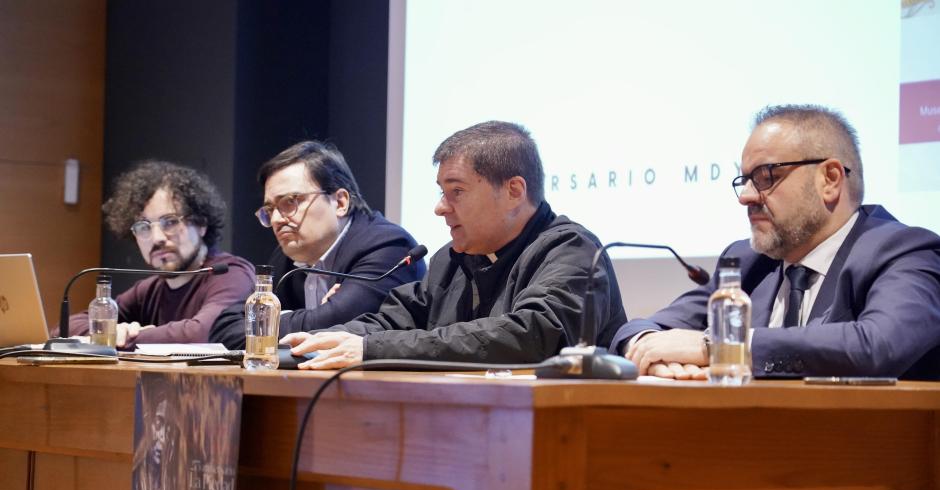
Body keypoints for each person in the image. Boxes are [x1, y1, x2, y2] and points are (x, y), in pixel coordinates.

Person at [611, 104, 940, 380]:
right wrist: (648, 346)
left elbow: (877, 346)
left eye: (766, 177)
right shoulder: (747, 262)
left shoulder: (905, 251)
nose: (746, 197)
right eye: (744, 180)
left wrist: (720, 348)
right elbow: (643, 327)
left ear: (830, 179)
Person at [280, 120, 626, 369]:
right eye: (441, 192)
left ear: (514, 192)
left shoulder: (573, 250)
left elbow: (530, 335)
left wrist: (372, 348)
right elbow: (392, 322)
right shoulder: (451, 258)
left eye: (456, 191)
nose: (440, 207)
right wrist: (313, 345)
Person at [208, 141, 425, 349]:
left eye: (290, 202)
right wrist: (312, 317)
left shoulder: (389, 247)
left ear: (340, 202)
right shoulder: (286, 257)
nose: (276, 220)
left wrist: (273, 320)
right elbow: (224, 329)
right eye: (270, 210)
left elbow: (338, 326)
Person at [61, 161, 255, 348]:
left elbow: (203, 333)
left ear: (201, 224)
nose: (156, 238)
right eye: (143, 227)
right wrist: (113, 332)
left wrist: (122, 337)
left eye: (170, 222)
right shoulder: (149, 290)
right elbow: (65, 328)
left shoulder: (230, 275)